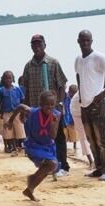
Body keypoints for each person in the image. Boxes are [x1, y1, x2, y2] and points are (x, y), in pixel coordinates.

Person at [75, 30, 105, 181]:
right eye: (82, 40)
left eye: (88, 40)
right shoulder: (78, 60)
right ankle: (99, 168)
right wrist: (81, 96)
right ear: (78, 41)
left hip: (97, 104)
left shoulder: (98, 57)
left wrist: (104, 93)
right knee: (91, 138)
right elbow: (78, 76)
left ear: (91, 41)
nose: (85, 43)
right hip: (84, 105)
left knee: (102, 138)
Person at [22, 34, 69, 177]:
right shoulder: (28, 66)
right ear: (31, 46)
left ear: (44, 45)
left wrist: (59, 104)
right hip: (37, 111)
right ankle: (47, 165)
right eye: (34, 44)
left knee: (58, 137)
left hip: (51, 109)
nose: (37, 47)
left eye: (39, 44)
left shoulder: (53, 63)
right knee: (40, 138)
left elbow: (61, 84)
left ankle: (63, 166)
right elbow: (27, 89)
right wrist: (27, 109)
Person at [7, 91, 61, 202]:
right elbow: (20, 106)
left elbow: (53, 136)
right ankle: (31, 184)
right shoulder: (32, 112)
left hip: (48, 146)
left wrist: (53, 123)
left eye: (52, 105)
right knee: (52, 164)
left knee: (49, 168)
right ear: (41, 104)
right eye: (47, 105)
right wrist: (11, 120)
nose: (49, 107)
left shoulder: (57, 115)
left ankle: (29, 189)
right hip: (34, 145)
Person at [0, 71, 26, 156]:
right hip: (7, 113)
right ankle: (14, 149)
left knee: (20, 131)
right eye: (6, 78)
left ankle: (24, 148)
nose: (8, 80)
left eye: (10, 78)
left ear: (13, 79)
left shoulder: (17, 89)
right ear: (3, 79)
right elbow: (0, 103)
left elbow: (22, 100)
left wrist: (23, 113)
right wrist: (1, 114)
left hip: (17, 112)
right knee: (9, 132)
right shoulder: (1, 91)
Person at [70, 86, 95, 168]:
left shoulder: (94, 87)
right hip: (77, 112)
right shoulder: (87, 89)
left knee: (93, 135)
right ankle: (91, 161)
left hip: (83, 110)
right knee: (83, 137)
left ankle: (96, 160)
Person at [63, 85, 78, 150]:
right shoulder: (65, 97)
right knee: (64, 134)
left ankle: (75, 147)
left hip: (73, 119)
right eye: (71, 93)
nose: (72, 95)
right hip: (66, 118)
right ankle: (65, 147)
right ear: (69, 92)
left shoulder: (77, 99)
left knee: (74, 134)